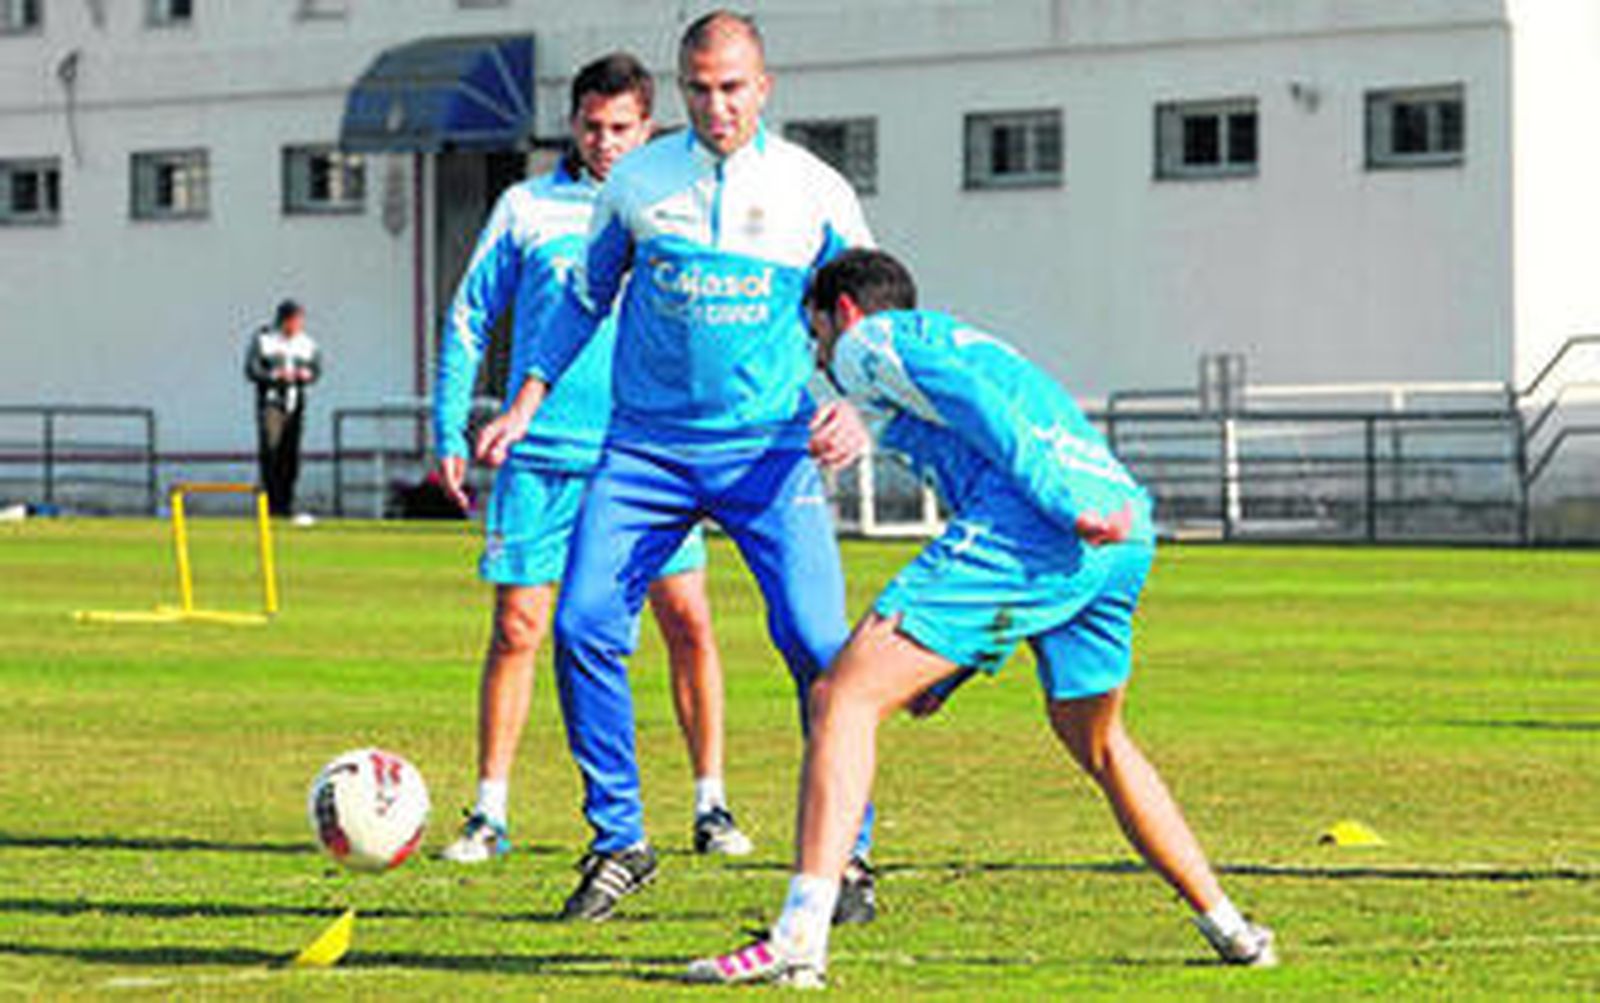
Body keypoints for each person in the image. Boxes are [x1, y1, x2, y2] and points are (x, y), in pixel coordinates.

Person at [688, 249, 1278, 987]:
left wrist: (1063, 505)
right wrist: (956, 663)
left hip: (1048, 521)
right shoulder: (955, 341)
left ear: (844, 313)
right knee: (1098, 741)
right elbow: (995, 412)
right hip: (1122, 530)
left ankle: (799, 935)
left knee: (841, 697)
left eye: (818, 339)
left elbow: (980, 407)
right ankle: (1231, 926)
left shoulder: (875, 340)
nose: (821, 357)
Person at [478, 11, 879, 922]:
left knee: (823, 652)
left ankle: (847, 855)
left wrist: (853, 403)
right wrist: (525, 403)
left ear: (764, 86)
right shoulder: (638, 181)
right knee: (580, 623)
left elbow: (872, 314)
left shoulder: (814, 189)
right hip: (646, 452)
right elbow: (581, 299)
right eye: (699, 87)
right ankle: (619, 840)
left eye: (733, 86)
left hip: (768, 453)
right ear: (681, 87)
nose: (716, 103)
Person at [432, 53, 755, 867]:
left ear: (649, 127)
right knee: (518, 628)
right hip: (540, 456)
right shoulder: (527, 207)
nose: (606, 142)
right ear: (571, 125)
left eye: (622, 128)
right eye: (591, 126)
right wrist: (448, 429)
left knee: (686, 621)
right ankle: (489, 812)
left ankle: (711, 803)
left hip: (648, 458)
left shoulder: (676, 205)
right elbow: (471, 315)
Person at [244, 299, 320, 517]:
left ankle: (286, 504)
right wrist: (274, 376)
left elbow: (317, 369)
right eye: (293, 321)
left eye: (299, 321)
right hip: (271, 405)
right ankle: (270, 505)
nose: (297, 326)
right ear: (283, 320)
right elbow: (251, 370)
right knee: (271, 453)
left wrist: (307, 375)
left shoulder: (307, 343)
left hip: (295, 405)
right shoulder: (264, 339)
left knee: (291, 456)